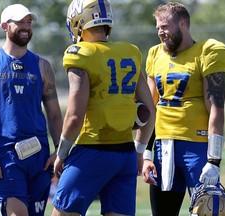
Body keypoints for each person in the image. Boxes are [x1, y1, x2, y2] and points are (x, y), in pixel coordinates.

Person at [51, 0, 155, 215]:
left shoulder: (80, 53)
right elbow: (150, 109)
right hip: (125, 154)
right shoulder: (130, 51)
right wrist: (139, 151)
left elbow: (74, 116)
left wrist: (61, 153)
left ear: (79, 20)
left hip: (92, 150)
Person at [0, 4, 63, 216]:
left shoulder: (43, 66)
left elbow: (55, 115)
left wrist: (59, 150)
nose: (26, 27)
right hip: (5, 156)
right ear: (4, 26)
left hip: (38, 157)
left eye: (29, 22)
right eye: (19, 22)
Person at [141, 2, 225, 215]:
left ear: (183, 23)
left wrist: (214, 160)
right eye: (157, 28)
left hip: (197, 147)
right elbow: (149, 108)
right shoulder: (155, 54)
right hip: (164, 149)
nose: (160, 33)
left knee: (207, 212)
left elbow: (216, 108)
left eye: (164, 26)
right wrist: (145, 153)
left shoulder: (207, 51)